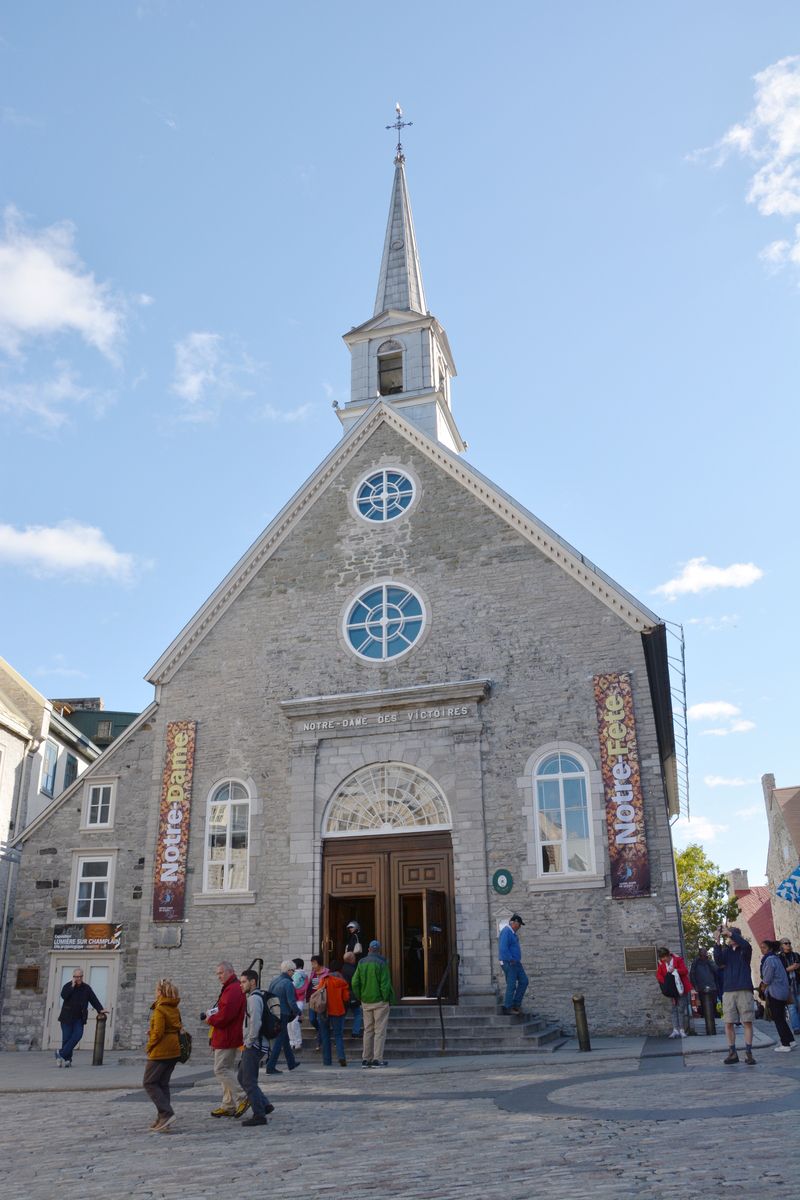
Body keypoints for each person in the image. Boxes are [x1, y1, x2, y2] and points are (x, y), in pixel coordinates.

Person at [204, 960, 247, 1117]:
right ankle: (228, 1104)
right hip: (225, 1034)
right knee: (226, 1069)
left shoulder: (233, 989)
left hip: (227, 1035)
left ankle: (242, 1095)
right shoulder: (230, 988)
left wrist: (210, 1019)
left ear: (230, 971)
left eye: (221, 973)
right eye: (217, 973)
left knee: (221, 1069)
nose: (218, 976)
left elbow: (225, 1016)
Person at [142, 978, 182, 1132]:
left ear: (160, 992)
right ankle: (163, 1119)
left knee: (149, 1082)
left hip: (161, 1051)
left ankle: (166, 1113)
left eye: (156, 990)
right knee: (162, 1083)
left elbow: (158, 1033)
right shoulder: (173, 1008)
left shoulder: (160, 1009)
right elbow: (173, 1027)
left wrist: (150, 1045)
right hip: (174, 1049)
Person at [237, 969, 276, 1127]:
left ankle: (259, 1114)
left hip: (255, 1045)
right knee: (241, 1077)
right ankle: (265, 1104)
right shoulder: (257, 997)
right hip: (256, 1043)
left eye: (244, 982)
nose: (241, 985)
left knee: (248, 1081)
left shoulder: (253, 999)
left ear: (253, 982)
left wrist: (249, 1041)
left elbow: (256, 1022)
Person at [713, 925, 756, 1065]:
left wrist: (730, 933)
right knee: (728, 1022)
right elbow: (718, 961)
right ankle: (732, 1053)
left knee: (747, 1021)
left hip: (744, 988)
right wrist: (717, 941)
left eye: (730, 936)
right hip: (729, 990)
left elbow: (745, 944)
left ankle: (748, 1052)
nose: (729, 939)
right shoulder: (726, 952)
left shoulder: (745, 949)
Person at [351, 938, 396, 1068]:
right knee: (379, 1031)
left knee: (368, 1030)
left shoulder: (361, 962)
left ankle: (366, 1059)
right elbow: (385, 984)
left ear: (369, 949)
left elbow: (355, 982)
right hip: (380, 1001)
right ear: (379, 950)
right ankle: (377, 1058)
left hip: (366, 1001)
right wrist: (385, 997)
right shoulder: (382, 962)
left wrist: (360, 996)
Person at [55, 967, 107, 1066]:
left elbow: (93, 999)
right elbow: (64, 996)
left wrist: (100, 1009)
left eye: (80, 976)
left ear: (82, 977)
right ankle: (67, 1059)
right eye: (76, 977)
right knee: (66, 1039)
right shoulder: (68, 986)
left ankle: (60, 1053)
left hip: (79, 1018)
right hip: (66, 1018)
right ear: (73, 977)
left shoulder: (86, 988)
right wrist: (72, 986)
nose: (78, 978)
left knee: (77, 1035)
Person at [759, 939, 796, 1053]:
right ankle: (791, 1040)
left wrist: (763, 986)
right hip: (782, 991)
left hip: (775, 992)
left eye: (764, 947)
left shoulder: (769, 960)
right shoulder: (776, 958)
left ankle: (785, 1044)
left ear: (770, 948)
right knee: (781, 1018)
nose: (762, 949)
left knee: (778, 1019)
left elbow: (767, 978)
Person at [265, 960, 301, 1075]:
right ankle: (270, 1066)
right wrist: (298, 1012)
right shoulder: (288, 983)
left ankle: (291, 1063)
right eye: (293, 971)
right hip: (283, 1014)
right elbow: (291, 1002)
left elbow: (268, 996)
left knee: (284, 1039)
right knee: (280, 1040)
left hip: (274, 1013)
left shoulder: (274, 981)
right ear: (289, 971)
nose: (294, 973)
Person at [317, 959, 350, 1066]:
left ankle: (327, 1061)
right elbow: (346, 998)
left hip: (324, 1011)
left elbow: (318, 994)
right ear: (340, 969)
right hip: (338, 1011)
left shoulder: (324, 979)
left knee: (325, 1034)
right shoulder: (343, 982)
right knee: (338, 1035)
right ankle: (341, 1057)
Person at [656, 946, 691, 1038]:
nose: (664, 960)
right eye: (662, 958)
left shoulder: (678, 959)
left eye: (664, 957)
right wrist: (665, 982)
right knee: (674, 1009)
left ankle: (682, 1030)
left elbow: (685, 971)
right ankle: (675, 1030)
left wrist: (675, 970)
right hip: (671, 990)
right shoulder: (661, 964)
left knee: (680, 1009)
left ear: (668, 955)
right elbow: (659, 975)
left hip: (680, 988)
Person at [498, 914, 528, 1015]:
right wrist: (510, 959)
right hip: (509, 962)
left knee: (524, 981)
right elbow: (503, 948)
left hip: (516, 963)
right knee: (511, 985)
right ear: (514, 923)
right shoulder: (506, 932)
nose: (519, 927)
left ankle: (516, 1005)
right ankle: (508, 1007)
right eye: (519, 925)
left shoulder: (512, 934)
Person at [306, 954, 329, 1051]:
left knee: (320, 1020)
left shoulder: (327, 972)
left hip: (321, 1000)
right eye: (312, 963)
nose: (313, 965)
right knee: (312, 1019)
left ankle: (318, 1043)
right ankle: (322, 1031)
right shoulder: (312, 973)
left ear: (319, 963)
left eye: (314, 963)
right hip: (312, 1000)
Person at [778, 937, 800, 1034]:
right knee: (792, 1008)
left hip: (798, 984)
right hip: (787, 986)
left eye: (789, 943)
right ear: (781, 946)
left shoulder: (796, 955)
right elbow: (778, 972)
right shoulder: (779, 958)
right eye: (786, 943)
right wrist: (789, 969)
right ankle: (796, 1028)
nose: (788, 945)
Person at [287, 957, 309, 1052]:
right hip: (299, 999)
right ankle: (295, 1042)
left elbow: (293, 985)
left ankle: (295, 1042)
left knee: (291, 1022)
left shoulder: (297, 974)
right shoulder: (304, 975)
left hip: (295, 999)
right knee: (293, 1022)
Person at [341, 951, 363, 1038]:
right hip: (352, 995)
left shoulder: (342, 969)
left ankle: (340, 1031)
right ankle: (355, 1032)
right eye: (354, 958)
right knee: (357, 1013)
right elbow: (356, 983)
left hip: (344, 995)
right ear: (351, 959)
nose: (355, 959)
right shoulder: (353, 970)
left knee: (343, 1014)